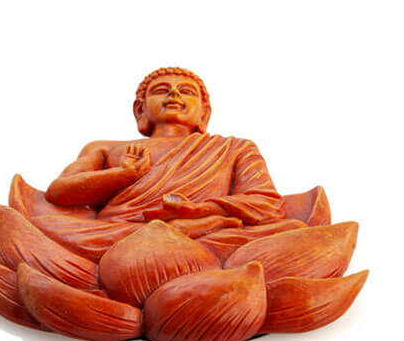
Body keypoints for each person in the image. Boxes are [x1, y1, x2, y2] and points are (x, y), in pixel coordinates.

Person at [25, 67, 303, 262]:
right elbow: (59, 192)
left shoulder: (234, 148)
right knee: (46, 226)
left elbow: (268, 204)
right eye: (161, 91)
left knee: (291, 231)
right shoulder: (105, 148)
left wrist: (199, 210)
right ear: (140, 109)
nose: (174, 96)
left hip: (203, 236)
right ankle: (187, 233)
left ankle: (200, 228)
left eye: (186, 92)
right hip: (121, 233)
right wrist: (123, 175)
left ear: (204, 112)